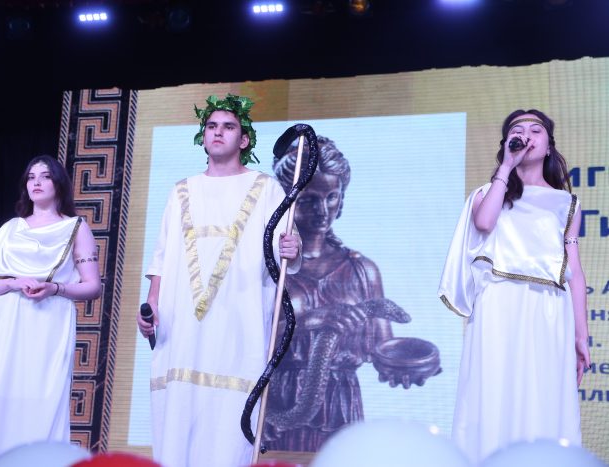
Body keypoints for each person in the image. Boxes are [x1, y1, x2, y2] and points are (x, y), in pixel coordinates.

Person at [136, 94, 301, 467]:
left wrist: (294, 248)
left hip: (238, 322)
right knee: (178, 416)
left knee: (228, 421)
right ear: (203, 136)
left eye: (228, 126)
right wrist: (152, 306)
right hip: (182, 326)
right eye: (211, 126)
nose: (218, 132)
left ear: (244, 139)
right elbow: (163, 255)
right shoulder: (182, 190)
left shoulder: (266, 188)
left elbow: (286, 248)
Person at [264, 136, 441, 452]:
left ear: (342, 198)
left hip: (340, 405)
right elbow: (248, 338)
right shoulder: (270, 264)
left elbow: (381, 349)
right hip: (278, 405)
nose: (322, 210)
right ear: (288, 201)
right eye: (308, 200)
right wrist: (314, 320)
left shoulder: (362, 270)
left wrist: (407, 366)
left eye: (331, 197)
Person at [439, 110, 591, 464]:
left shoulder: (567, 204)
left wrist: (581, 335)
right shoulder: (488, 193)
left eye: (536, 130)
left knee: (543, 394)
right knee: (494, 390)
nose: (527, 135)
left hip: (549, 309)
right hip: (499, 304)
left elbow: (575, 272)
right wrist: (506, 168)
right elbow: (484, 222)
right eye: (517, 130)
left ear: (549, 146)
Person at [0, 155, 101, 467]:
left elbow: (93, 286)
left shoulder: (75, 228)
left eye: (45, 176)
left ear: (58, 183)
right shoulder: (11, 229)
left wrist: (55, 288)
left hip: (48, 325)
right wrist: (13, 282)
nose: (36, 182)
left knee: (40, 405)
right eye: (31, 177)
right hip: (4, 324)